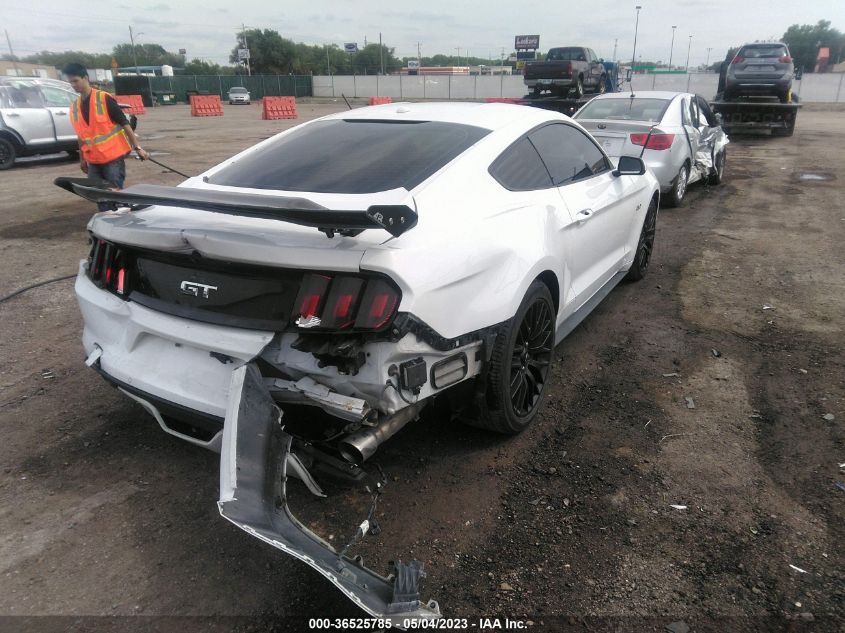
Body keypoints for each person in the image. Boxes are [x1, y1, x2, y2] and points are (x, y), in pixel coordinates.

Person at [62, 63, 149, 192]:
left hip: (112, 158)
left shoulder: (103, 99)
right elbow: (81, 136)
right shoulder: (74, 108)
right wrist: (82, 159)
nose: (74, 85)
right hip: (93, 161)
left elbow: (125, 124)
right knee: (98, 194)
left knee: (114, 193)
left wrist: (138, 148)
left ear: (86, 78)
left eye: (76, 81)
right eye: (71, 82)